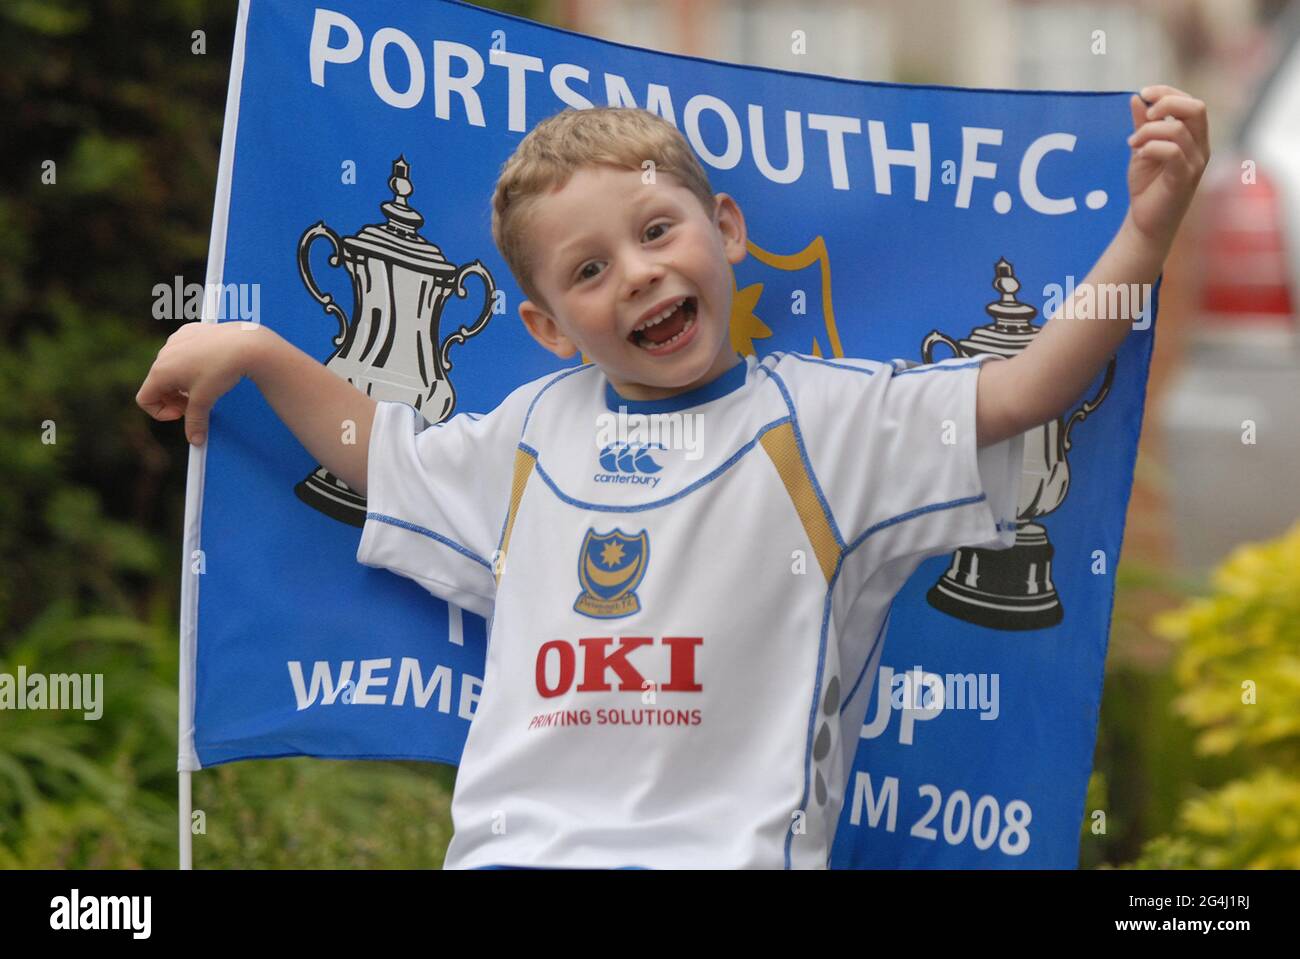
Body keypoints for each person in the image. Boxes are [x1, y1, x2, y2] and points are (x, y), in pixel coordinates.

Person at [137, 87, 1208, 869]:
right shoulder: (528, 436)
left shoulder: (836, 419)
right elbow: (386, 454)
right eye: (590, 270)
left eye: (656, 231)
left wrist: (1147, 228)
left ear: (725, 230)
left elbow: (1024, 392)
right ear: (548, 328)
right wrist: (256, 350)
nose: (639, 272)